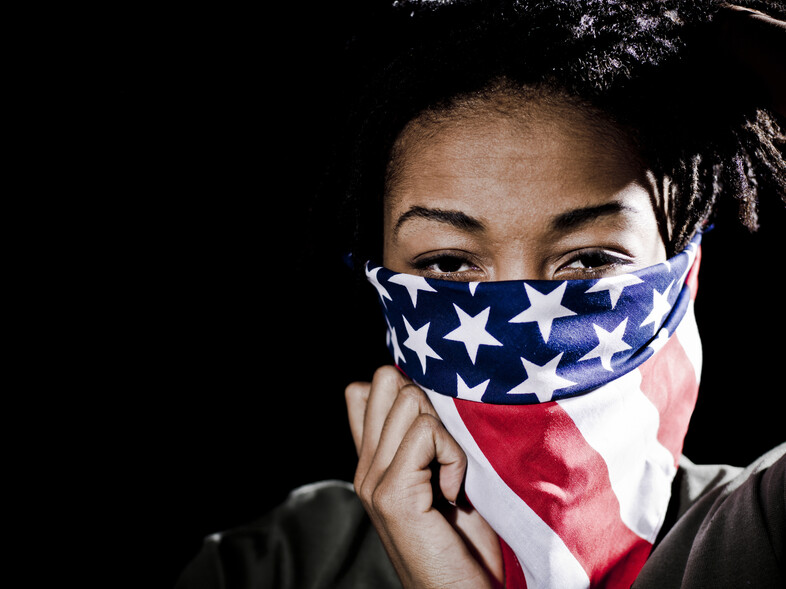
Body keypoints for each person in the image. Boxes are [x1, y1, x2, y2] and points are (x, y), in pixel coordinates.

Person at [176, 1, 785, 587]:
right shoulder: (275, 566)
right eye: (447, 264)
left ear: (684, 266)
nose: (523, 318)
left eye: (591, 260)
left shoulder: (767, 536)